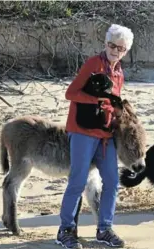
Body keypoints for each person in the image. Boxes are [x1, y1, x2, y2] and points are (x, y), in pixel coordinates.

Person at [55, 24, 134, 249]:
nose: (115, 51)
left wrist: (118, 112)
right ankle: (66, 230)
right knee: (78, 181)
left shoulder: (119, 73)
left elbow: (111, 103)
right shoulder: (93, 63)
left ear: (126, 51)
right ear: (105, 43)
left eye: (120, 48)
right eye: (112, 45)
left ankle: (104, 228)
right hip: (82, 131)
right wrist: (96, 101)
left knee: (112, 181)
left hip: (105, 135)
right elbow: (70, 93)